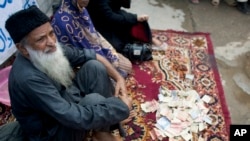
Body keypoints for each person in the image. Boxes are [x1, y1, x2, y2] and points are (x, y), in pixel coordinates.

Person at [3, 5, 132, 141]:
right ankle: (105, 124)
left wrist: (119, 78)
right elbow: (72, 116)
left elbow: (93, 56)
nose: (52, 42)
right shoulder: (27, 78)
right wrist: (119, 108)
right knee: (93, 100)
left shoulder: (49, 47)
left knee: (94, 67)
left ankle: (102, 130)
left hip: (63, 101)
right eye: (41, 39)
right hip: (51, 131)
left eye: (51, 33)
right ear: (23, 48)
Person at [51, 0, 132, 78]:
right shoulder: (64, 22)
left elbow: (94, 36)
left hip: (94, 50)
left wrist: (109, 53)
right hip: (82, 62)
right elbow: (77, 52)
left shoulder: (81, 9)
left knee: (126, 65)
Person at [86, 0, 167, 53]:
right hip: (98, 23)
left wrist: (135, 18)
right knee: (117, 47)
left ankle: (149, 39)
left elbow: (124, 4)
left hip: (114, 14)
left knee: (140, 22)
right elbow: (109, 16)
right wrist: (135, 18)